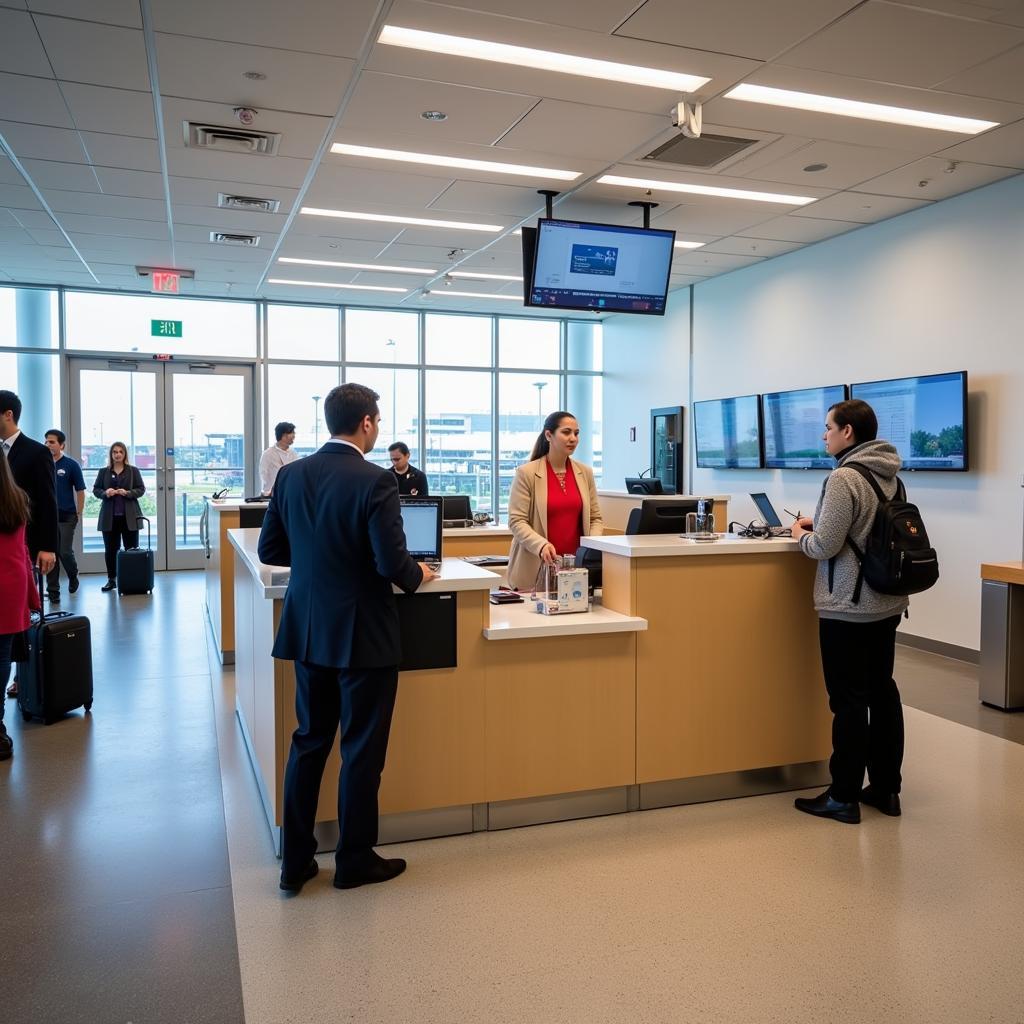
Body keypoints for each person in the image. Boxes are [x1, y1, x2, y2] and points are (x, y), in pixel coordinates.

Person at [258, 383, 438, 894]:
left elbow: (273, 546)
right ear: (366, 423)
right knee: (361, 750)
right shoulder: (376, 480)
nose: (377, 429)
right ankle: (354, 860)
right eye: (376, 421)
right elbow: (391, 564)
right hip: (363, 635)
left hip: (309, 629)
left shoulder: (292, 475)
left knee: (309, 743)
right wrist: (418, 574)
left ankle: (295, 863)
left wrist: (320, 561)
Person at [791, 399, 909, 825]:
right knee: (883, 692)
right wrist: (820, 525)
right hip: (887, 603)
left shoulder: (843, 477)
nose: (823, 435)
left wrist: (799, 535)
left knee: (848, 701)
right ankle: (886, 789)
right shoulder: (890, 475)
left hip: (848, 606)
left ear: (848, 434)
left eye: (828, 427)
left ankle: (842, 795)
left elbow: (825, 546)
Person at [506, 410, 603, 592]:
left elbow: (595, 518)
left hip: (577, 569)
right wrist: (541, 545)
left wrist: (593, 547)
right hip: (536, 568)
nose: (573, 438)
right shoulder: (526, 473)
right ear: (549, 435)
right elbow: (516, 521)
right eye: (566, 432)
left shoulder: (585, 473)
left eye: (576, 433)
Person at [1, 390, 57, 700]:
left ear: (8, 414)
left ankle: (27, 677)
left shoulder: (35, 452)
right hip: (6, 547)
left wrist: (47, 546)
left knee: (28, 616)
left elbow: (47, 502)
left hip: (28, 546)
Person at [0, 450, 40, 760]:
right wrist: (32, 598)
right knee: (2, 660)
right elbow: (22, 552)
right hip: (11, 589)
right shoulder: (16, 499)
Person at [93, 442, 145, 593]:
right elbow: (96, 490)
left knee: (131, 550)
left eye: (120, 452)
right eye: (115, 452)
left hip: (130, 517)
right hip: (110, 518)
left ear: (124, 454)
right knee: (110, 550)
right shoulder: (103, 472)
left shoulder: (133, 471)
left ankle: (131, 580)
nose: (117, 454)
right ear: (111, 454)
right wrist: (105, 493)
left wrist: (128, 493)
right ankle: (112, 580)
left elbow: (141, 489)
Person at [43, 429, 86, 603]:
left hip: (67, 515)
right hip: (47, 517)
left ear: (62, 445)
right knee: (50, 552)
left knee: (64, 551)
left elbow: (80, 490)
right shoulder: (42, 463)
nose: (48, 444)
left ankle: (73, 574)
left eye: (52, 442)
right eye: (46, 441)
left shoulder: (71, 465)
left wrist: (79, 512)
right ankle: (53, 591)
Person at [259, 421, 298, 495]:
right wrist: (268, 491)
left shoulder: (294, 453)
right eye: (292, 433)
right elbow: (263, 474)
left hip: (290, 492)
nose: (294, 436)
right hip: (272, 494)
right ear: (283, 435)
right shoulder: (268, 453)